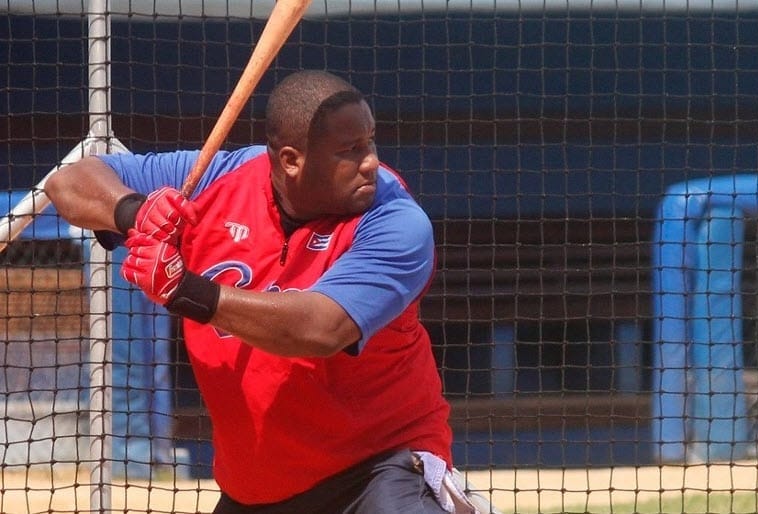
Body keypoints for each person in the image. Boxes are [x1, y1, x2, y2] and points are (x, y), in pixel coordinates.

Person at [45, 70, 484, 513]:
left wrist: (185, 290)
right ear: (292, 160)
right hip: (257, 489)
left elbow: (319, 327)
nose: (370, 162)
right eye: (349, 151)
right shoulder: (216, 178)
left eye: (369, 143)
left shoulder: (395, 221)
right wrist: (135, 213)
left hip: (378, 468)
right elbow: (68, 183)